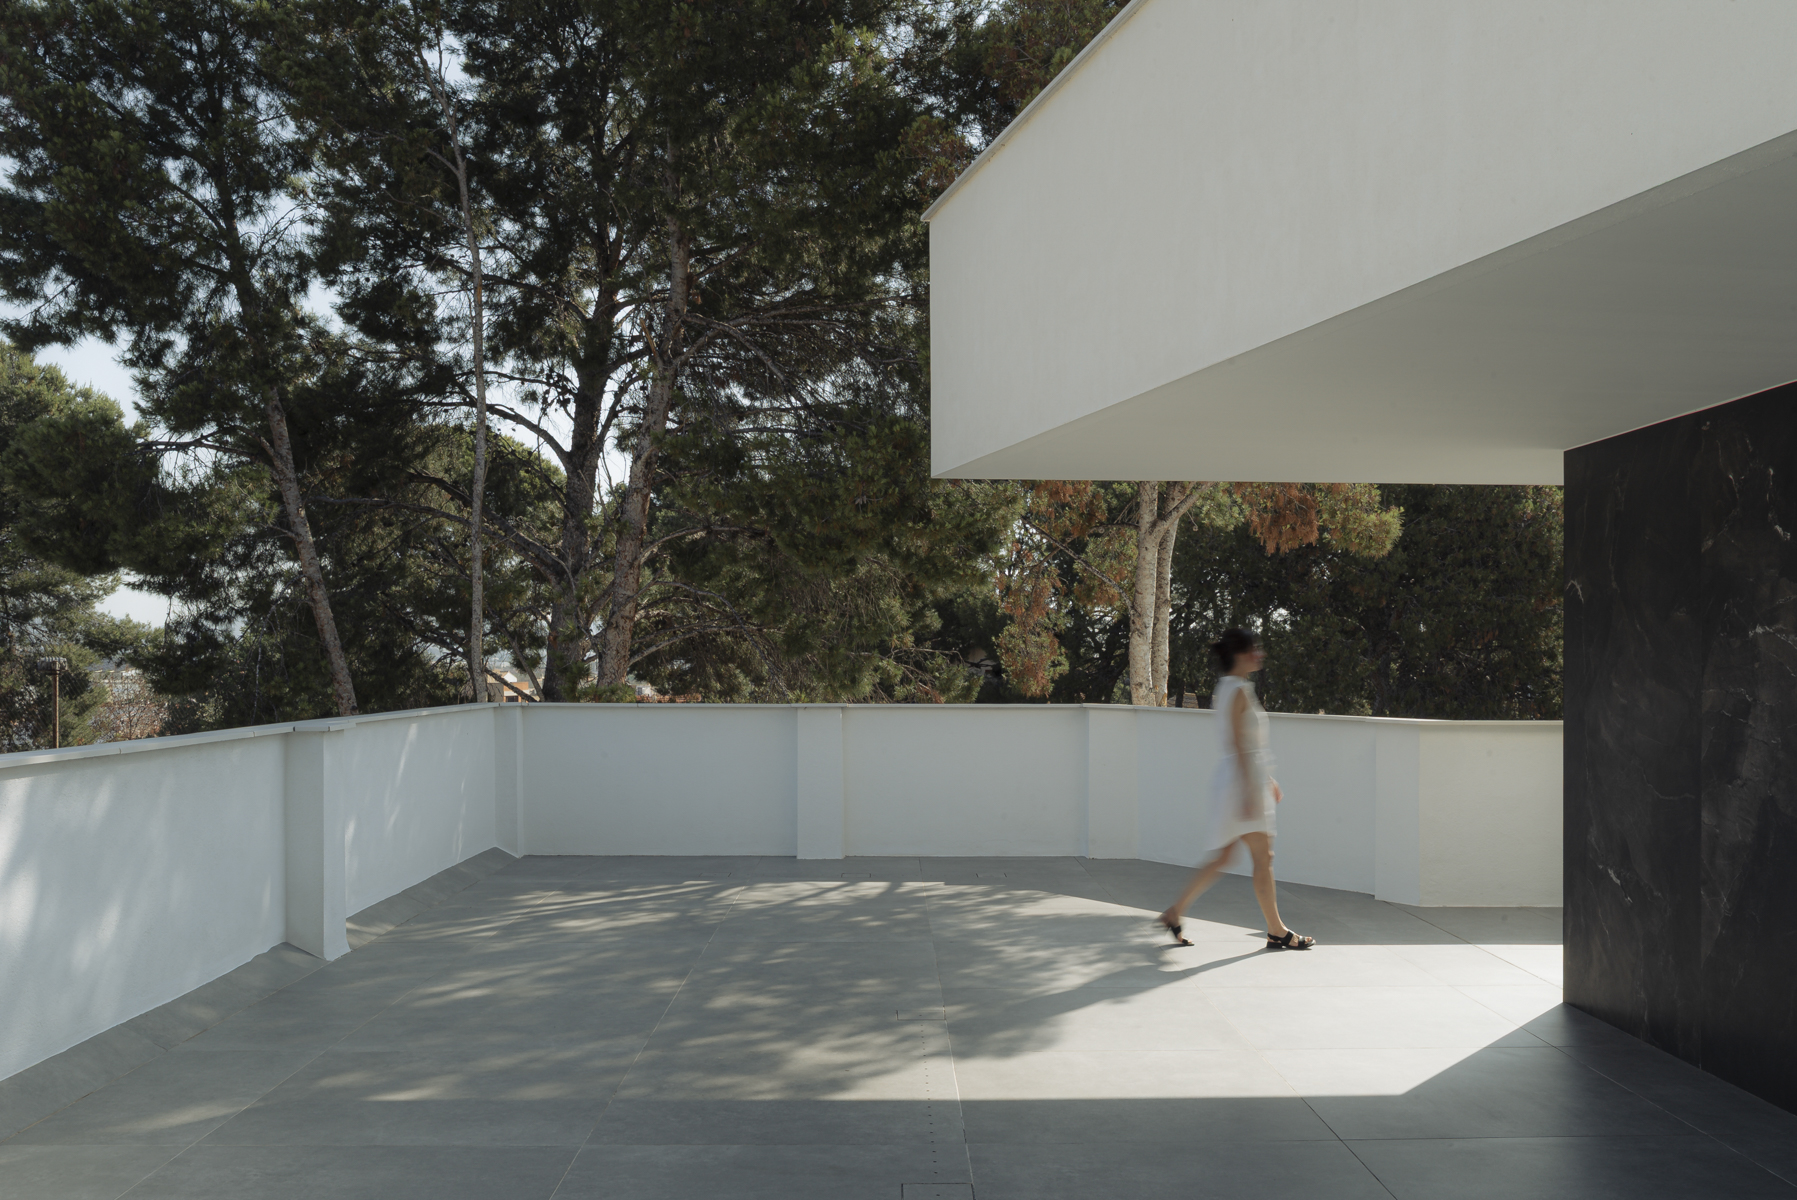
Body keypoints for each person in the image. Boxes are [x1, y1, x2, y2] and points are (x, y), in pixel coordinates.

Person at [1158, 628, 1314, 950]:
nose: (1260, 654)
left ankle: (1175, 912)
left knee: (1226, 855)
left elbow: (1244, 743)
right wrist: (1249, 790)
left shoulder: (1231, 687)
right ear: (1241, 654)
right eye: (1255, 649)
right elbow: (1237, 743)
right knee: (1262, 856)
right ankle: (1277, 930)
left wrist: (1266, 779)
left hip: (1241, 779)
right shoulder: (1238, 691)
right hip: (1241, 783)